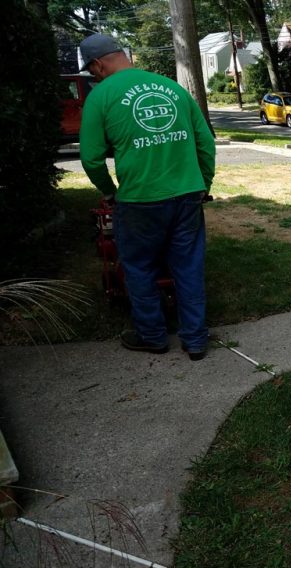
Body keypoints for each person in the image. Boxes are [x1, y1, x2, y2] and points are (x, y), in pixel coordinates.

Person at [79, 33, 216, 360]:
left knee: (139, 267)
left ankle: (152, 335)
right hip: (186, 196)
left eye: (91, 71)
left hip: (139, 200)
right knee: (188, 266)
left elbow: (91, 159)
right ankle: (195, 339)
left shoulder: (101, 97)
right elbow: (205, 144)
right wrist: (204, 184)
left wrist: (110, 193)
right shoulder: (172, 88)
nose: (93, 76)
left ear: (99, 64)